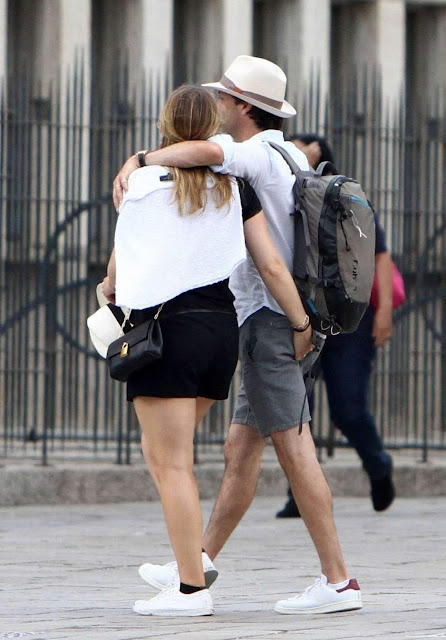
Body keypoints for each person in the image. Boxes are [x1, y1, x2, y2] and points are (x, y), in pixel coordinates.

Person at [113, 56, 363, 615]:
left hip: (274, 319)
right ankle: (196, 562)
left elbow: (203, 153)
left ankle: (339, 580)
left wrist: (141, 158)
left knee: (295, 447)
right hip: (273, 318)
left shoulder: (251, 154)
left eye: (224, 98)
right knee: (240, 449)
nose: (218, 107)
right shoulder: (292, 153)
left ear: (244, 106)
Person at [276, 134, 395, 519]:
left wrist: (384, 312)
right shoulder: (283, 193)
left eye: (303, 147)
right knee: (298, 412)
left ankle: (378, 466)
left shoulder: (344, 196)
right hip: (301, 318)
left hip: (347, 321)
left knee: (349, 408)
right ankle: (301, 495)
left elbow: (379, 257)